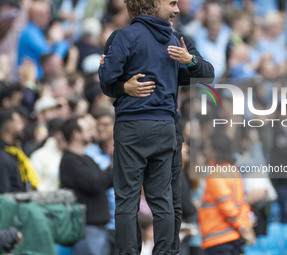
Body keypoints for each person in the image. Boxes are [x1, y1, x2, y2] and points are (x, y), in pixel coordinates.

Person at [99, 2, 214, 254]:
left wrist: (190, 60)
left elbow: (107, 80)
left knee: (128, 199)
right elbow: (200, 76)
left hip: (134, 125)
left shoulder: (128, 37)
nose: (177, 9)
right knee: (164, 200)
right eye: (171, 2)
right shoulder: (173, 39)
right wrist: (123, 87)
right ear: (152, 3)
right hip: (164, 127)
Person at [59, 116, 113, 255]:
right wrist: (113, 167)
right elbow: (95, 183)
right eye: (87, 129)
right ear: (76, 134)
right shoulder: (70, 161)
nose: (92, 132)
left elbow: (104, 179)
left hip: (99, 228)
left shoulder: (86, 159)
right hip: (87, 228)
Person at [84, 108, 117, 255]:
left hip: (124, 220)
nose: (100, 129)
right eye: (98, 125)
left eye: (105, 125)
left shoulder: (127, 149)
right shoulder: (88, 152)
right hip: (101, 222)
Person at [0, 107, 40, 193]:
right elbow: (4, 195)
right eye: (19, 123)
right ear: (9, 128)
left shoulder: (16, 152)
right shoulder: (2, 156)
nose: (23, 127)